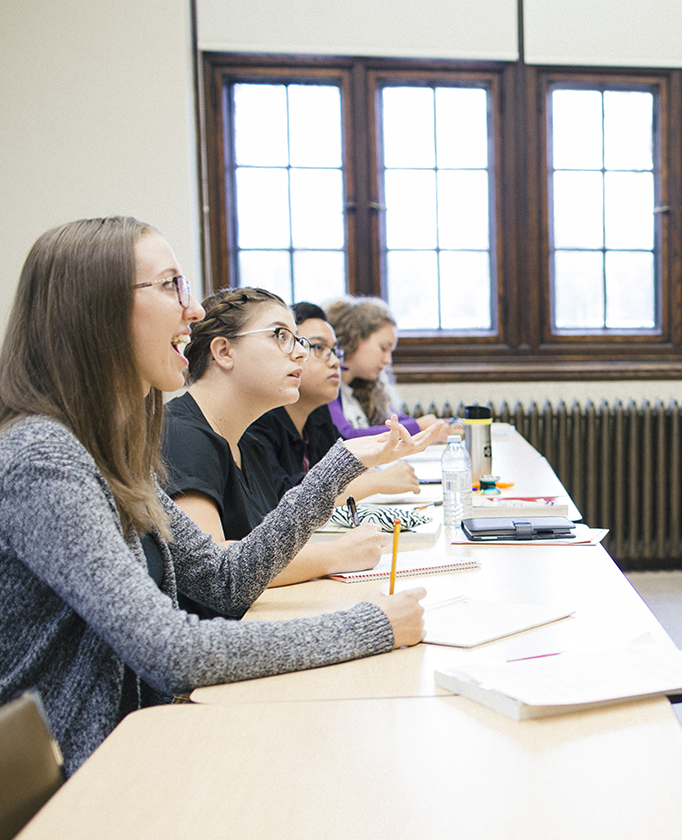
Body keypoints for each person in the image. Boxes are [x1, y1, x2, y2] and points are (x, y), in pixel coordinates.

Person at [0, 217, 429, 773]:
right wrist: (370, 627)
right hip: (82, 784)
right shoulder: (44, 459)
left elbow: (225, 583)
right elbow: (173, 651)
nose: (194, 309)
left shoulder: (109, 451)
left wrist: (337, 469)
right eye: (170, 285)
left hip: (137, 747)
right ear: (96, 311)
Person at [161, 288, 446, 587]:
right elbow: (215, 572)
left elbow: (264, 549)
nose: (300, 352)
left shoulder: (248, 443)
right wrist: (336, 555)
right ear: (224, 352)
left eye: (298, 340)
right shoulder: (182, 436)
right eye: (280, 336)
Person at [242, 300, 422, 500]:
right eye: (318, 347)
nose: (335, 362)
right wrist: (376, 480)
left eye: (335, 351)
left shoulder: (317, 414)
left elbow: (343, 467)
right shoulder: (256, 422)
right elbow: (278, 496)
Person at [324, 296, 440, 438]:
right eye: (383, 348)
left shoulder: (362, 387)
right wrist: (419, 426)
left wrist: (437, 425)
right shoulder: (326, 386)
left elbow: (395, 419)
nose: (388, 361)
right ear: (354, 339)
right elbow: (347, 437)